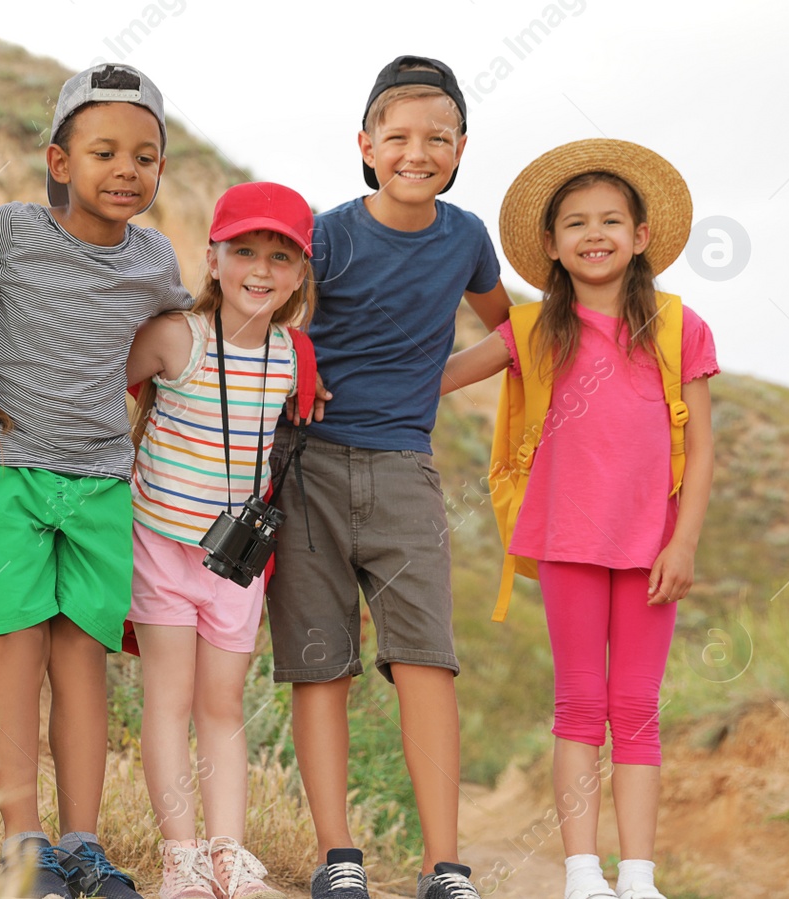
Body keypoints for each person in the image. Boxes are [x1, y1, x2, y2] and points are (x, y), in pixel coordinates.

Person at [441, 139, 717, 899]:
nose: (594, 234)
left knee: (636, 707)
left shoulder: (676, 325)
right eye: (575, 224)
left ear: (641, 237)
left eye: (610, 221)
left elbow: (701, 446)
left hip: (652, 547)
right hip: (566, 542)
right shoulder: (530, 331)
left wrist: (685, 539)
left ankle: (638, 875)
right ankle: (581, 874)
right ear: (553, 248)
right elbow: (437, 378)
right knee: (578, 705)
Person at [265, 56, 512, 899]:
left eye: (437, 138)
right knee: (318, 661)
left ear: (461, 147)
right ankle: (339, 856)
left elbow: (513, 334)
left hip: (407, 468)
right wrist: (300, 361)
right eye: (398, 137)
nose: (418, 152)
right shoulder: (326, 233)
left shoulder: (468, 237)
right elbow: (266, 313)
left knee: (425, 660)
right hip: (307, 467)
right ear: (366, 146)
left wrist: (433, 379)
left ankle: (446, 866)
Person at [0, 62, 192, 899]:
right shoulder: (10, 232)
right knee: (15, 651)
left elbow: (178, 328)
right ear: (60, 162)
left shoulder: (155, 258)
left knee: (82, 660)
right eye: (104, 152)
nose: (126, 170)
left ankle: (83, 843)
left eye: (144, 156)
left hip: (101, 481)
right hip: (13, 473)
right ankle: (22, 839)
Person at [124, 181, 317, 899]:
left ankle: (230, 855)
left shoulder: (295, 356)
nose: (260, 271)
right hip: (163, 547)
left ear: (300, 274)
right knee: (169, 699)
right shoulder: (179, 335)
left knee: (223, 705)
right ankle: (183, 859)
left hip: (236, 563)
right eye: (244, 252)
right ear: (212, 258)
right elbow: (109, 389)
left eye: (280, 257)